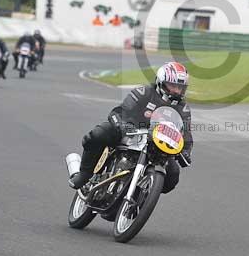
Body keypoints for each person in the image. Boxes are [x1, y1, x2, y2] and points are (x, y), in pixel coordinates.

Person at [68, 61, 193, 194]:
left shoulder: (183, 109)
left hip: (157, 145)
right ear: (161, 82)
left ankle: (141, 194)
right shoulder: (144, 92)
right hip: (128, 131)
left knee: (173, 175)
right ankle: (84, 175)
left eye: (180, 87)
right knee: (98, 135)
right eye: (172, 85)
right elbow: (121, 111)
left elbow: (185, 134)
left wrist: (185, 151)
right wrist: (122, 125)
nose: (176, 90)